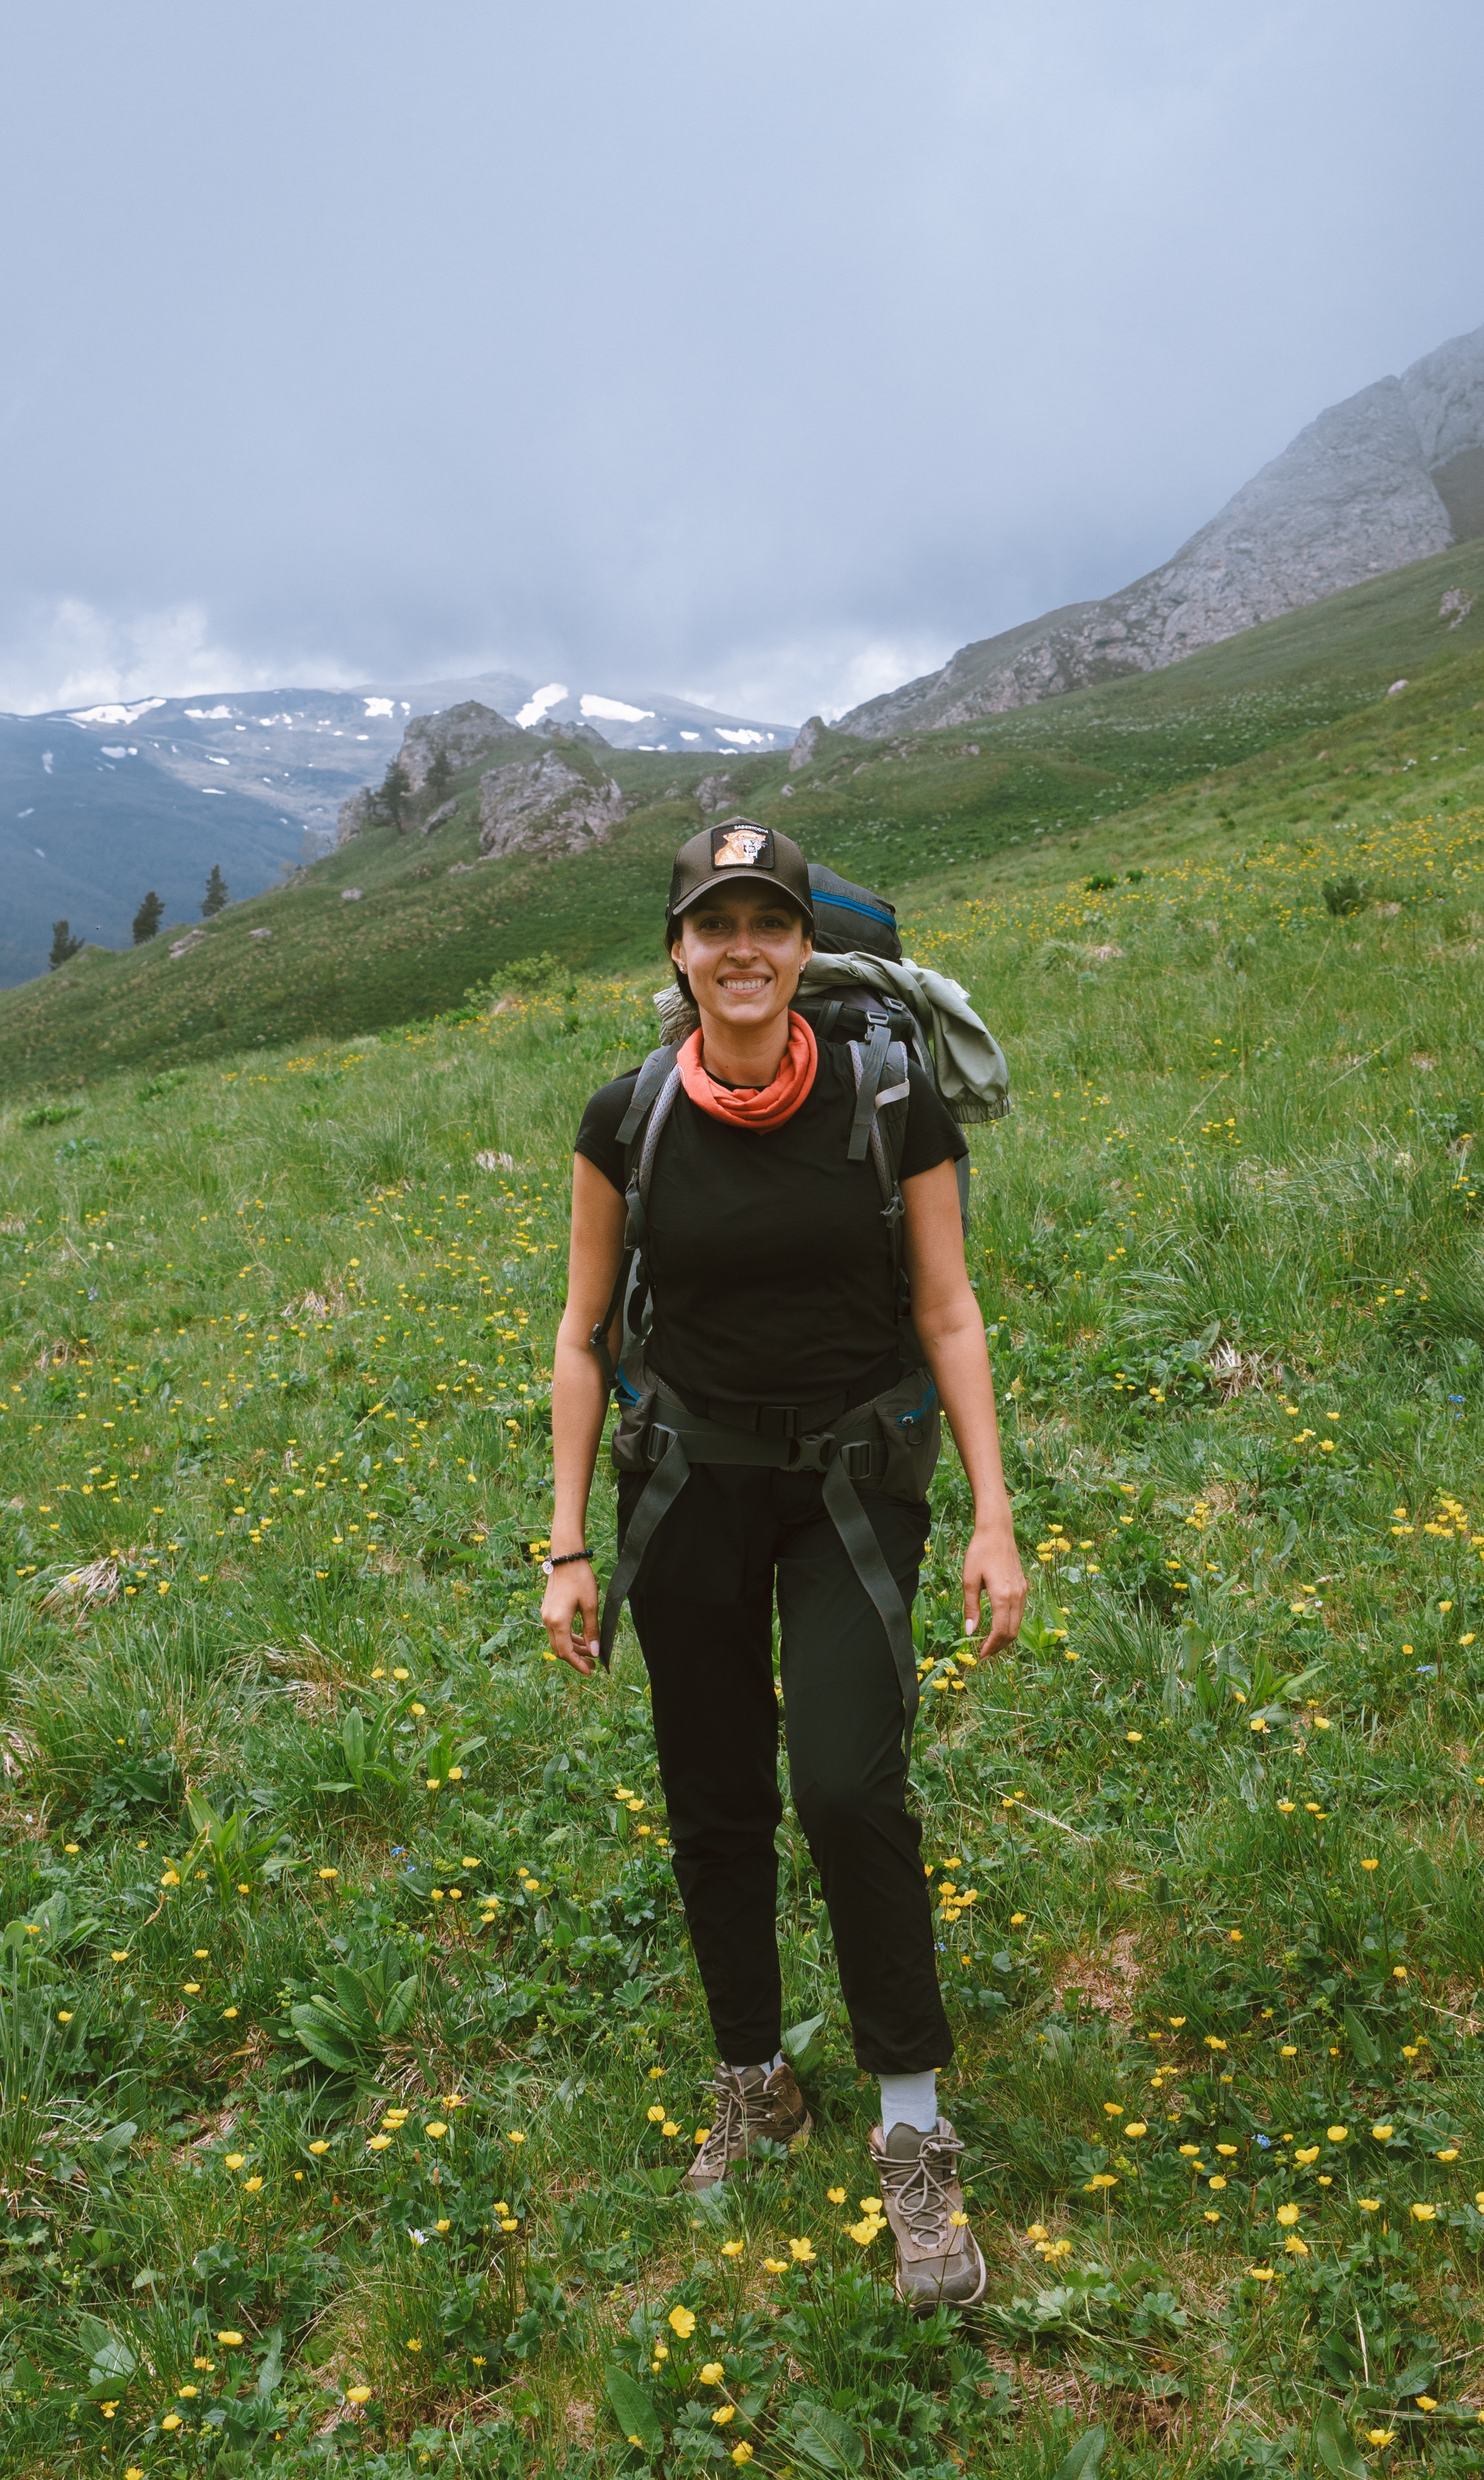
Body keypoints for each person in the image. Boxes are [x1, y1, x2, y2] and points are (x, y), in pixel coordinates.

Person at [542, 822, 1026, 2309]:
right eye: (713, 924)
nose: (741, 948)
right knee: (713, 1794)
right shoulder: (626, 1117)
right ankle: (754, 2081)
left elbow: (947, 1312)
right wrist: (565, 1542)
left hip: (848, 1490)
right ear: (677, 954)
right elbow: (582, 1332)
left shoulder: (892, 1102)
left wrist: (997, 1518)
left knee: (843, 1784)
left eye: (769, 921)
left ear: (806, 947)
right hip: (685, 1485)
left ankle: (912, 2131)